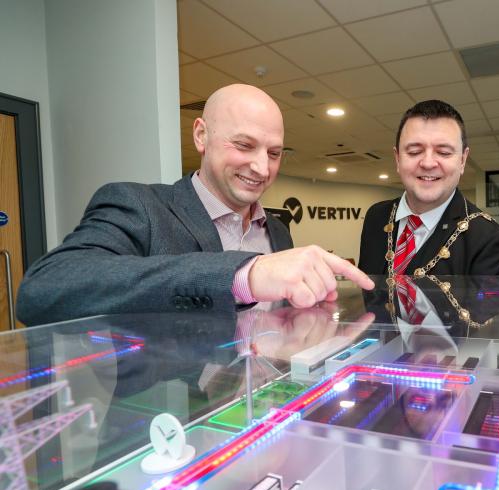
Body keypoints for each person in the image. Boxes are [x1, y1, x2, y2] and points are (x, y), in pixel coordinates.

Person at [16, 84, 374, 326]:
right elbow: (43, 290)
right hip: (168, 413)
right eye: (244, 145)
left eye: (274, 153)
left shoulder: (277, 230)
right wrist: (242, 275)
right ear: (202, 135)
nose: (262, 168)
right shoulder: (139, 206)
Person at [358, 100, 499, 277]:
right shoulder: (376, 216)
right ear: (397, 159)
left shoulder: (488, 239)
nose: (428, 163)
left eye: (444, 152)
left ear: (462, 160)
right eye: (414, 151)